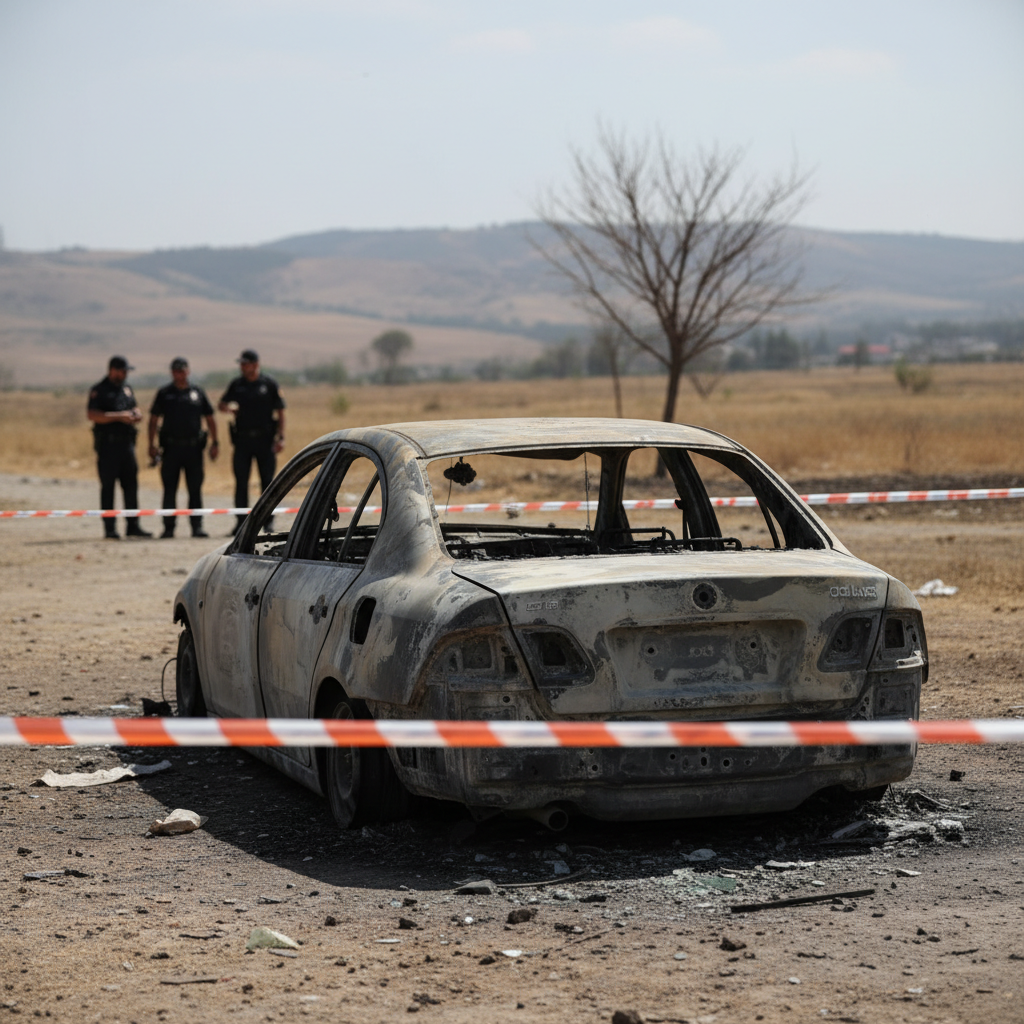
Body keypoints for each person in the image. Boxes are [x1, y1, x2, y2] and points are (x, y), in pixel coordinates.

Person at [147, 357, 219, 539]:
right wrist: (151, 444)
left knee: (195, 489)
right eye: (176, 370)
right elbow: (153, 420)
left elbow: (210, 418)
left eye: (182, 370)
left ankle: (197, 526)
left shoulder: (197, 392)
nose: (179, 374)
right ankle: (168, 527)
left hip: (194, 449)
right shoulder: (165, 393)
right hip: (171, 449)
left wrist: (215, 442)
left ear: (188, 371)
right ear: (172, 372)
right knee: (169, 489)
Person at [218, 349, 286, 534]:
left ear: (255, 364)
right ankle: (241, 523)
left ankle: (268, 521)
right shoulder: (237, 384)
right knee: (241, 482)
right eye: (240, 363)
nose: (242, 366)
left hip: (265, 441)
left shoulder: (268, 384)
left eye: (245, 363)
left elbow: (280, 411)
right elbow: (221, 404)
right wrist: (228, 408)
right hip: (242, 441)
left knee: (268, 483)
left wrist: (281, 437)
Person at [86, 355, 151, 540]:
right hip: (108, 446)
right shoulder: (99, 390)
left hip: (127, 445)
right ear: (112, 370)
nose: (125, 374)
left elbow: (133, 407)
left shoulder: (127, 389)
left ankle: (133, 526)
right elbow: (92, 415)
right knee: (108, 488)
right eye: (122, 371)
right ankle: (110, 528)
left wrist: (136, 414)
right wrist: (119, 416)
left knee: (131, 486)